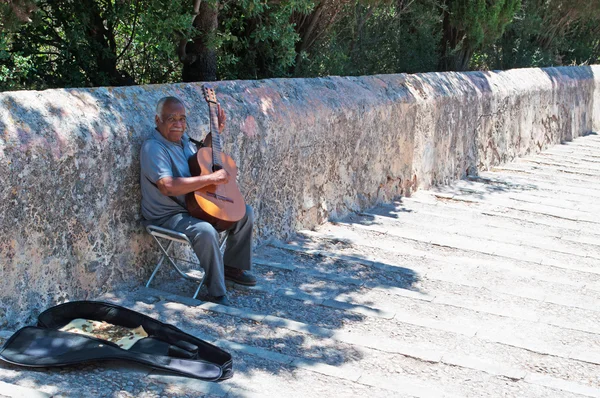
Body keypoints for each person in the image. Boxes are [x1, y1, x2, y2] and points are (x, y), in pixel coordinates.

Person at [140, 96, 256, 306]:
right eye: (171, 119)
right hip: (166, 215)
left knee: (245, 212)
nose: (178, 124)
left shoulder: (184, 142)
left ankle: (231, 268)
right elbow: (167, 186)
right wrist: (211, 179)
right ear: (158, 120)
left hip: (193, 207)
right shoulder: (154, 148)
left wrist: (214, 134)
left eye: (182, 119)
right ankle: (216, 291)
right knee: (205, 230)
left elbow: (200, 160)